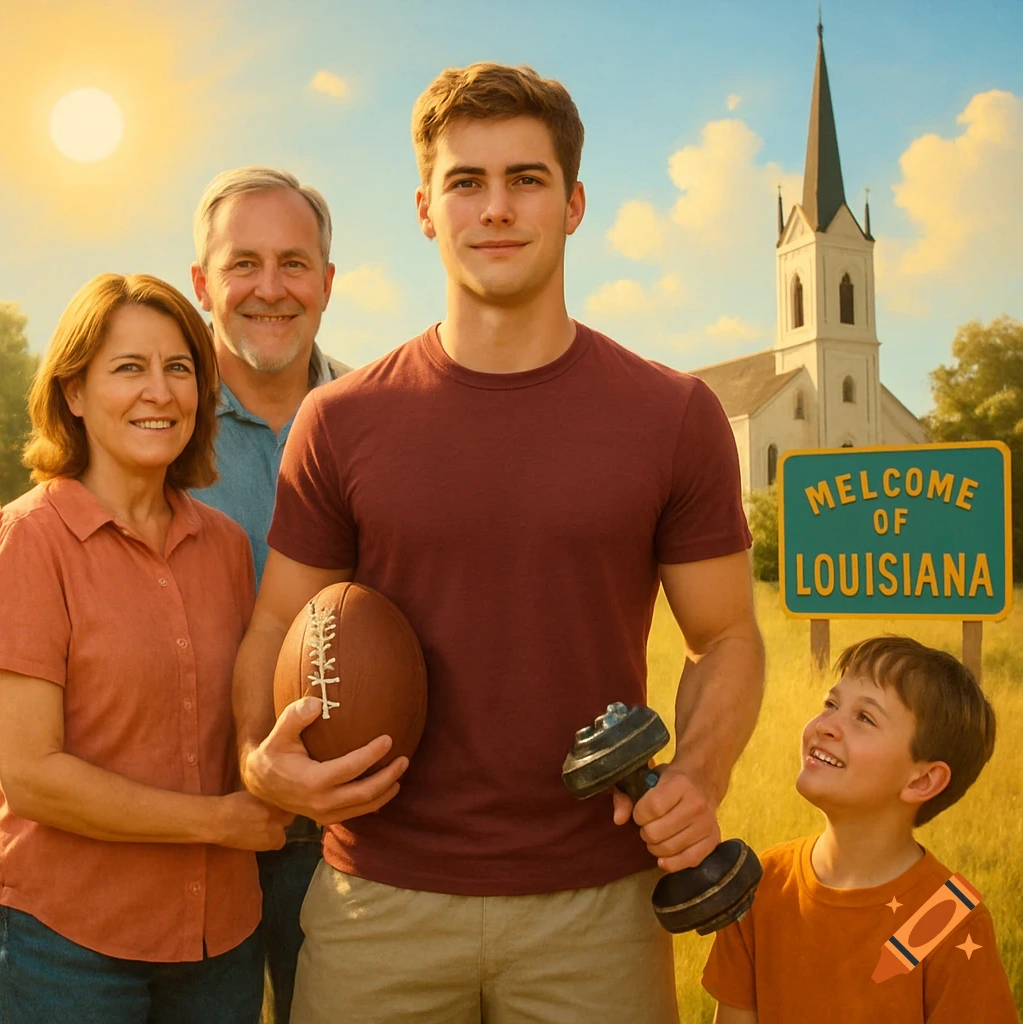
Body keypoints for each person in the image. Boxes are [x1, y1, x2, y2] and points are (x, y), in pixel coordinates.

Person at [234, 63, 766, 1024]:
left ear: (574, 203)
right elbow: (278, 620)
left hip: (599, 907)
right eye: (465, 182)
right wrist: (257, 760)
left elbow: (725, 636)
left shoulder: (672, 413)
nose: (497, 209)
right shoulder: (340, 420)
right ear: (426, 210)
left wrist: (699, 774)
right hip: (378, 900)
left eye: (526, 179)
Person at [0, 273, 291, 1024]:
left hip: (221, 941)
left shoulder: (225, 546)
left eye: (180, 367)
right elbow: (31, 775)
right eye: (128, 368)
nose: (159, 392)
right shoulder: (29, 541)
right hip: (68, 950)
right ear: (72, 392)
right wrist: (219, 823)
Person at [189, 166, 349, 1024]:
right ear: (201, 283)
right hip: (180, 821)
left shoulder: (378, 417)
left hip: (341, 834)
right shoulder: (149, 418)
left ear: (328, 281)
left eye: (295, 263)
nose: (270, 288)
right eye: (242, 263)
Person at [702, 636, 1017, 1022]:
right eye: (831, 704)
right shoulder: (761, 883)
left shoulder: (948, 918)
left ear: (922, 781)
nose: (827, 725)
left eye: (864, 718)